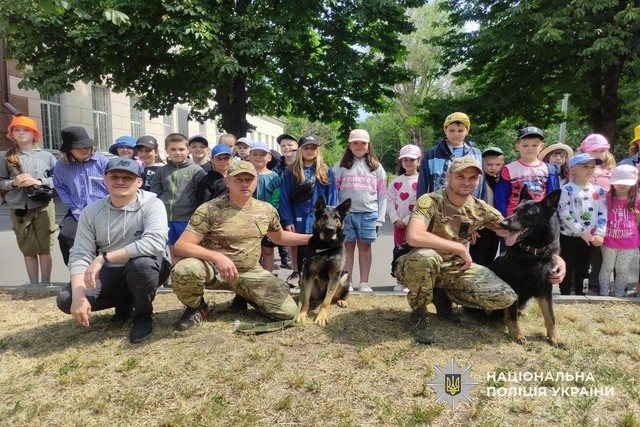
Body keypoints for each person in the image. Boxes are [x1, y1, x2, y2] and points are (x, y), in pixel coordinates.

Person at [393, 157, 566, 344]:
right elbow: (414, 236)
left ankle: (441, 295)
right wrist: (459, 247)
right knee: (426, 257)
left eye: (472, 178)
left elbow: (512, 227)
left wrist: (556, 258)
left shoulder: (480, 209)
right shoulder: (429, 201)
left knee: (504, 297)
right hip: (416, 263)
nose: (467, 182)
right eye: (461, 176)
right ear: (448, 176)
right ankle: (419, 314)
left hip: (454, 267)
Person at [170, 161, 311, 331]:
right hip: (214, 271)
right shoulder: (209, 209)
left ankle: (247, 295)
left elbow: (279, 237)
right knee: (185, 269)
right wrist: (217, 257)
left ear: (256, 181)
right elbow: (182, 245)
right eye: (238, 179)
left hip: (249, 271)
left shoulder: (266, 210)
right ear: (227, 181)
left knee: (289, 313)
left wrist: (311, 239)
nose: (244, 184)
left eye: (249, 179)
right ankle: (196, 307)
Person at [55, 157, 170, 344]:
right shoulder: (91, 212)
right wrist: (78, 295)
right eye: (114, 177)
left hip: (147, 267)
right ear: (104, 180)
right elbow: (80, 253)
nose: (120, 182)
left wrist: (103, 258)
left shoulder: (153, 204)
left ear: (139, 182)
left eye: (127, 178)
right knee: (66, 300)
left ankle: (142, 315)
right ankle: (126, 300)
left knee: (141, 266)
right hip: (112, 271)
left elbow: (154, 242)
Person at [0, 116, 57, 286]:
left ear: (35, 134)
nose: (21, 133)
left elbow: (58, 180)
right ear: (11, 134)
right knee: (27, 248)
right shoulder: (6, 156)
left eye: (26, 130)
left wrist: (39, 181)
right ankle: (33, 285)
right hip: (18, 207)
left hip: (43, 205)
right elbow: (1, 181)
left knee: (45, 247)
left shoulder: (47, 156)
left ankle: (45, 284)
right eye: (16, 130)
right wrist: (14, 183)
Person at [279, 135, 337, 288]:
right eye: (306, 148)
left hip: (320, 220)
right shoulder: (292, 170)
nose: (309, 151)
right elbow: (284, 197)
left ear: (318, 150)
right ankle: (301, 279)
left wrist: (330, 221)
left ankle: (319, 282)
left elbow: (332, 197)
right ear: (300, 150)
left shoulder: (326, 170)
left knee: (320, 250)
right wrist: (288, 219)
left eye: (313, 148)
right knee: (301, 250)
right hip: (299, 217)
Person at [333, 129, 386, 292]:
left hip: (369, 213)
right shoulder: (340, 167)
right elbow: (334, 193)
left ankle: (364, 282)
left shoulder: (376, 167)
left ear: (368, 145)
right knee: (347, 248)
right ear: (349, 145)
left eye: (363, 143)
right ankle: (347, 282)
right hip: (346, 215)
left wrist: (380, 218)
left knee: (365, 247)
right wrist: (335, 217)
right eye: (355, 143)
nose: (359, 146)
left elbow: (382, 195)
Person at [53, 126, 110, 265]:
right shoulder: (61, 166)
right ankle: (77, 269)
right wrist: (74, 208)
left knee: (103, 239)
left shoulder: (103, 162)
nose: (84, 149)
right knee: (66, 236)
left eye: (86, 146)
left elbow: (113, 185)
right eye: (78, 147)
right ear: (68, 150)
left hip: (105, 209)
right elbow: (60, 187)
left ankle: (103, 270)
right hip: (77, 210)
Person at [150, 133, 206, 264]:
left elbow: (202, 196)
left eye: (181, 149)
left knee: (189, 252)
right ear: (167, 150)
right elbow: (154, 194)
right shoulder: (161, 171)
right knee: (173, 252)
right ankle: (176, 275)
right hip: (167, 220)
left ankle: (191, 275)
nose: (178, 153)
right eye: (173, 149)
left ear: (188, 149)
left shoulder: (196, 170)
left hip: (187, 219)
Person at [557, 153, 607, 295]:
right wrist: (581, 232)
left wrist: (600, 233)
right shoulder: (566, 189)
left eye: (592, 167)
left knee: (584, 267)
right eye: (585, 166)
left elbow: (603, 213)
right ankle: (565, 293)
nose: (589, 169)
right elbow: (564, 213)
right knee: (567, 265)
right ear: (572, 170)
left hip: (590, 236)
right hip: (569, 236)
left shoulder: (598, 191)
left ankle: (582, 292)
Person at [417, 112, 485, 200]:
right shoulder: (432, 153)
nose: (456, 134)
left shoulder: (476, 154)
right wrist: (421, 204)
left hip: (468, 204)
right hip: (439, 203)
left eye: (460, 131)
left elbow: (482, 184)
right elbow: (423, 182)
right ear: (445, 130)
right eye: (451, 130)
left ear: (467, 130)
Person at [495, 127, 560, 217]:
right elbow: (501, 197)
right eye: (525, 145)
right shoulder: (509, 169)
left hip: (539, 216)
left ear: (542, 146)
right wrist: (503, 217)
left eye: (534, 145)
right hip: (515, 216)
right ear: (517, 146)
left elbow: (552, 196)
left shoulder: (549, 169)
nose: (530, 149)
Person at [579, 134, 614, 294]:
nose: (599, 154)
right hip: (580, 221)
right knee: (579, 254)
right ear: (584, 151)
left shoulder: (610, 173)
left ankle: (594, 285)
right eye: (594, 151)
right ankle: (575, 284)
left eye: (602, 150)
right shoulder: (576, 170)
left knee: (598, 256)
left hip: (602, 221)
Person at [599, 165, 640, 297]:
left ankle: (619, 293)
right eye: (618, 182)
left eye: (626, 182)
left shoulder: (637, 199)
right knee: (607, 267)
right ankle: (603, 293)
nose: (622, 185)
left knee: (622, 268)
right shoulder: (606, 197)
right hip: (609, 240)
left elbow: (637, 219)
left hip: (629, 241)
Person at [386, 144, 421, 292]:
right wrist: (395, 219)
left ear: (418, 161)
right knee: (400, 251)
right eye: (405, 160)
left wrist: (407, 220)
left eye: (412, 159)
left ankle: (411, 282)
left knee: (414, 251)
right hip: (398, 224)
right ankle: (400, 280)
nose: (408, 162)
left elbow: (421, 202)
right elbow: (389, 201)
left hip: (416, 223)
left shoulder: (421, 181)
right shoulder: (396, 182)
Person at [469, 146, 504, 267]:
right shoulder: (477, 182)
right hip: (479, 227)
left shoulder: (503, 180)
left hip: (496, 227)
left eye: (497, 164)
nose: (493, 168)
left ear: (502, 163)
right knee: (476, 260)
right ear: (482, 163)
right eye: (489, 164)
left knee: (490, 259)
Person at [249, 142, 281, 272]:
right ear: (249, 156)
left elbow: (277, 196)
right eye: (255, 154)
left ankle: (268, 277)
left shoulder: (274, 177)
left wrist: (268, 213)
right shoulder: (245, 174)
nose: (258, 157)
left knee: (267, 250)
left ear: (269, 157)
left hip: (267, 218)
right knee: (251, 250)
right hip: (248, 217)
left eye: (262, 154)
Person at [272, 133, 298, 272]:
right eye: (283, 146)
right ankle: (294, 269)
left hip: (300, 207)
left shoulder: (305, 165)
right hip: (283, 207)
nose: (287, 148)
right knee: (289, 239)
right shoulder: (277, 168)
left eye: (290, 145)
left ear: (297, 147)